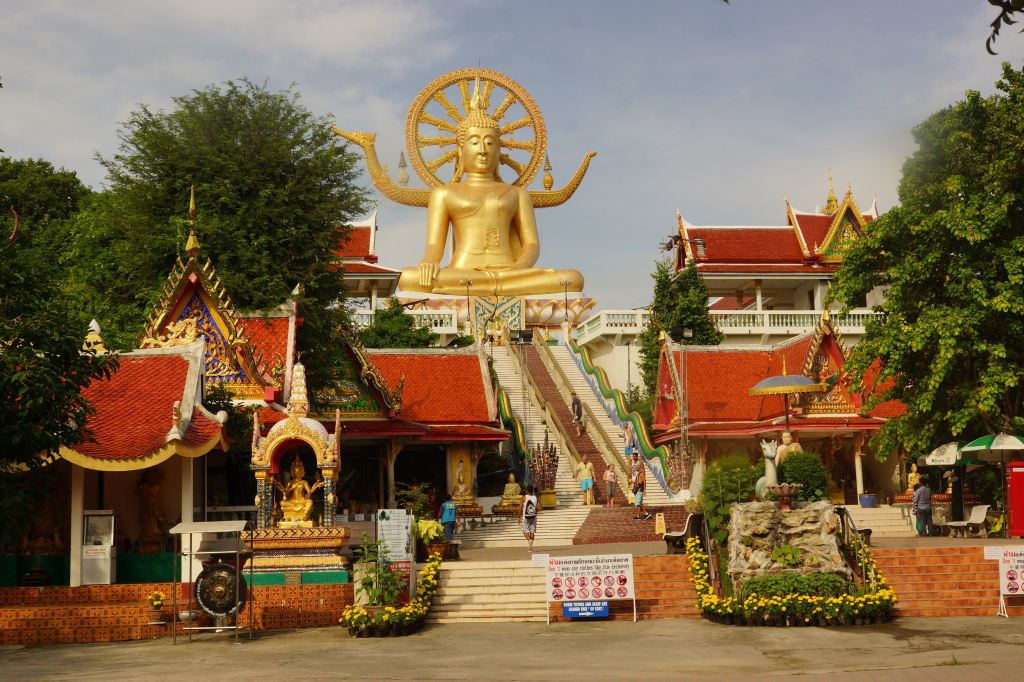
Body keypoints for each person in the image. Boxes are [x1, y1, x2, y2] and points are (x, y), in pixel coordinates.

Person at [521, 485, 539, 552]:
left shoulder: (524, 497)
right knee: (532, 531)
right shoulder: (536, 497)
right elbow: (540, 507)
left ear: (527, 490)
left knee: (525, 531)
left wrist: (518, 517)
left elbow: (520, 508)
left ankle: (529, 541)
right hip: (533, 516)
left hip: (525, 517)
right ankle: (530, 546)